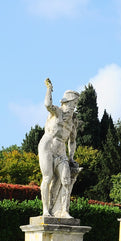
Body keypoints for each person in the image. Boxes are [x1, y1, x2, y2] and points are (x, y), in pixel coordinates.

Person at [38, 78, 81, 218]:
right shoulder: (57, 112)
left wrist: (71, 157)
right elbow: (47, 104)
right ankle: (46, 210)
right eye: (71, 105)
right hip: (47, 147)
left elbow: (72, 141)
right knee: (48, 177)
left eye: (74, 105)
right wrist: (49, 89)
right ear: (64, 103)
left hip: (61, 150)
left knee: (66, 180)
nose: (72, 108)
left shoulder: (73, 122)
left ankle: (63, 211)